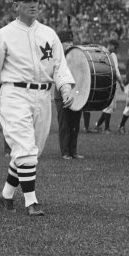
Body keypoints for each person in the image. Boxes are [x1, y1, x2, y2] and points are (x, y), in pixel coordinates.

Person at [0, 0, 75, 216]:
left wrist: (66, 88)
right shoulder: (3, 35)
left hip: (43, 95)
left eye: (36, 0)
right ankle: (31, 201)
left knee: (30, 151)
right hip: (14, 94)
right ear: (15, 6)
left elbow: (59, 66)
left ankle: (6, 194)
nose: (33, 4)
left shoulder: (49, 34)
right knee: (26, 150)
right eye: (28, 0)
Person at [53, 26, 84, 160]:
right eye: (68, 42)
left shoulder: (75, 56)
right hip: (61, 95)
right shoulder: (58, 57)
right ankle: (65, 152)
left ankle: (73, 151)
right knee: (65, 124)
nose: (71, 45)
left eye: (71, 42)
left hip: (75, 93)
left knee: (75, 124)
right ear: (60, 43)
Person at [93, 39, 122, 133]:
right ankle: (106, 128)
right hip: (106, 82)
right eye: (115, 46)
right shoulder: (102, 53)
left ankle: (98, 125)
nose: (116, 49)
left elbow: (116, 70)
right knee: (109, 106)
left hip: (113, 81)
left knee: (112, 107)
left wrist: (120, 82)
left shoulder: (113, 55)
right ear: (111, 45)